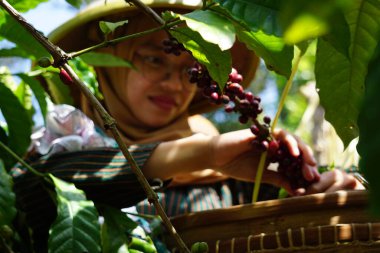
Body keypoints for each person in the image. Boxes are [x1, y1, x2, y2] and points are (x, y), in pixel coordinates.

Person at [10, 0, 365, 251]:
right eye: (152, 59)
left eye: (190, 71)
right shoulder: (64, 146)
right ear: (109, 60)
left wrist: (324, 189)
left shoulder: (238, 180)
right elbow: (36, 188)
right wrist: (200, 154)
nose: (174, 84)